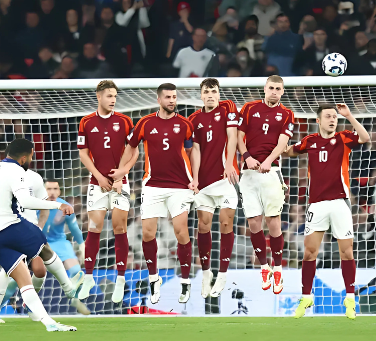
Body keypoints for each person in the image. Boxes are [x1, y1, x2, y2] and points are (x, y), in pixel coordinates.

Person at [0, 138, 82, 332]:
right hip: (11, 225)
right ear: (24, 157)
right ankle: (69, 288)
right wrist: (58, 204)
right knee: (44, 249)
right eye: (32, 156)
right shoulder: (17, 171)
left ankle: (49, 323)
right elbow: (26, 201)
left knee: (23, 280)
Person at [284, 103, 371, 319]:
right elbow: (290, 152)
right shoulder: (309, 141)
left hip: (340, 202)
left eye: (335, 116)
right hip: (317, 204)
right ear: (318, 120)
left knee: (346, 252)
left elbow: (365, 137)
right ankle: (306, 297)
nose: (333, 119)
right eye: (328, 116)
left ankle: (350, 299)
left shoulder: (343, 137)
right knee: (309, 252)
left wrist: (349, 116)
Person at [118, 83, 195, 303]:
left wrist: (195, 179)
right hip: (152, 185)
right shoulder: (145, 123)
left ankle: (185, 281)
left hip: (180, 185)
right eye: (168, 97)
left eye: (174, 97)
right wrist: (121, 173)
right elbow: (131, 147)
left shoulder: (185, 124)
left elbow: (191, 151)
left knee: (181, 232)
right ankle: (154, 279)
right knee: (147, 233)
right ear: (159, 99)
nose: (172, 100)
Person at [77, 80, 138, 303]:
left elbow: (135, 152)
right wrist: (100, 177)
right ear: (99, 97)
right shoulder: (86, 122)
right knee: (94, 228)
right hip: (97, 183)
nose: (113, 100)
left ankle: (120, 279)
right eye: (109, 96)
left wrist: (121, 174)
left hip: (121, 183)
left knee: (119, 227)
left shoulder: (124, 121)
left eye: (115, 96)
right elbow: (83, 154)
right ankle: (89, 277)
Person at [237, 75, 295, 293]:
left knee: (273, 222)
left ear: (282, 91)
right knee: (253, 223)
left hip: (272, 172)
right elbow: (239, 135)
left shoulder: (287, 113)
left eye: (278, 89)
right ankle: (264, 266)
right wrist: (246, 157)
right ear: (265, 88)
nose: (274, 91)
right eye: (271, 87)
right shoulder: (250, 108)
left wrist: (269, 161)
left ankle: (278, 268)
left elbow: (283, 142)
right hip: (248, 172)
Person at [188, 79, 240, 299]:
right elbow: (196, 149)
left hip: (225, 178)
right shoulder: (193, 119)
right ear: (201, 95)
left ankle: (223, 274)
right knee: (203, 226)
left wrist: (229, 163)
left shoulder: (228, 107)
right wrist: (195, 179)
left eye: (214, 91)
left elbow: (232, 136)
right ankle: (207, 273)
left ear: (219, 94)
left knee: (226, 223)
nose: (210, 95)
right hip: (205, 182)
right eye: (206, 92)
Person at [0, 169, 50, 323]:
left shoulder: (35, 178)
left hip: (30, 230)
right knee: (8, 270)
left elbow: (44, 206)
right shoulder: (3, 177)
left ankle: (28, 304)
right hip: (12, 228)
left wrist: (39, 228)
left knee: (40, 270)